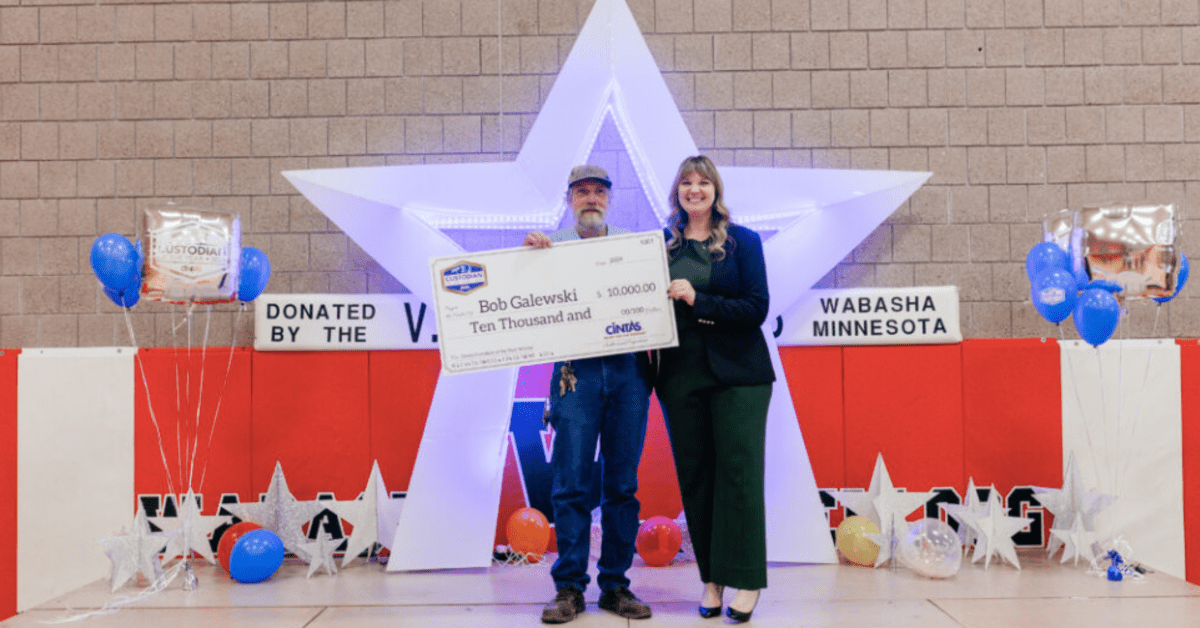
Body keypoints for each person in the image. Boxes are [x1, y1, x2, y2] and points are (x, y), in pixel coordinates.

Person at [524, 164, 654, 624]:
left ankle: (616, 587)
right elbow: (523, 299)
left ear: (610, 200)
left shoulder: (634, 247)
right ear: (569, 200)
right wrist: (527, 262)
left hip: (628, 370)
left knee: (622, 485)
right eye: (583, 192)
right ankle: (569, 589)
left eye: (599, 191)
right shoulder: (548, 247)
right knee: (571, 483)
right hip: (574, 374)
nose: (591, 198)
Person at [657, 155, 775, 623]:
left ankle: (746, 580)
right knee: (698, 481)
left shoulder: (743, 242)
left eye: (703, 182)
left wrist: (698, 299)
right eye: (686, 182)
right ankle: (711, 580)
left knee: (739, 479)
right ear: (677, 193)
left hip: (739, 377)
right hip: (679, 376)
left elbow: (756, 308)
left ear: (715, 190)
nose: (694, 189)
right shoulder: (661, 247)